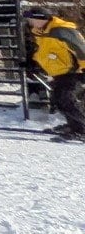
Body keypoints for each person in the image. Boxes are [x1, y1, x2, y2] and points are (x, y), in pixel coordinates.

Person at [25, 7, 85, 138]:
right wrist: (32, 62)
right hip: (59, 72)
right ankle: (74, 125)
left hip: (73, 71)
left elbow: (81, 48)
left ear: (39, 19)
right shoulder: (41, 31)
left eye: (31, 19)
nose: (29, 22)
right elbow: (44, 51)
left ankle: (81, 129)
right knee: (60, 99)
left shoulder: (61, 30)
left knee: (65, 99)